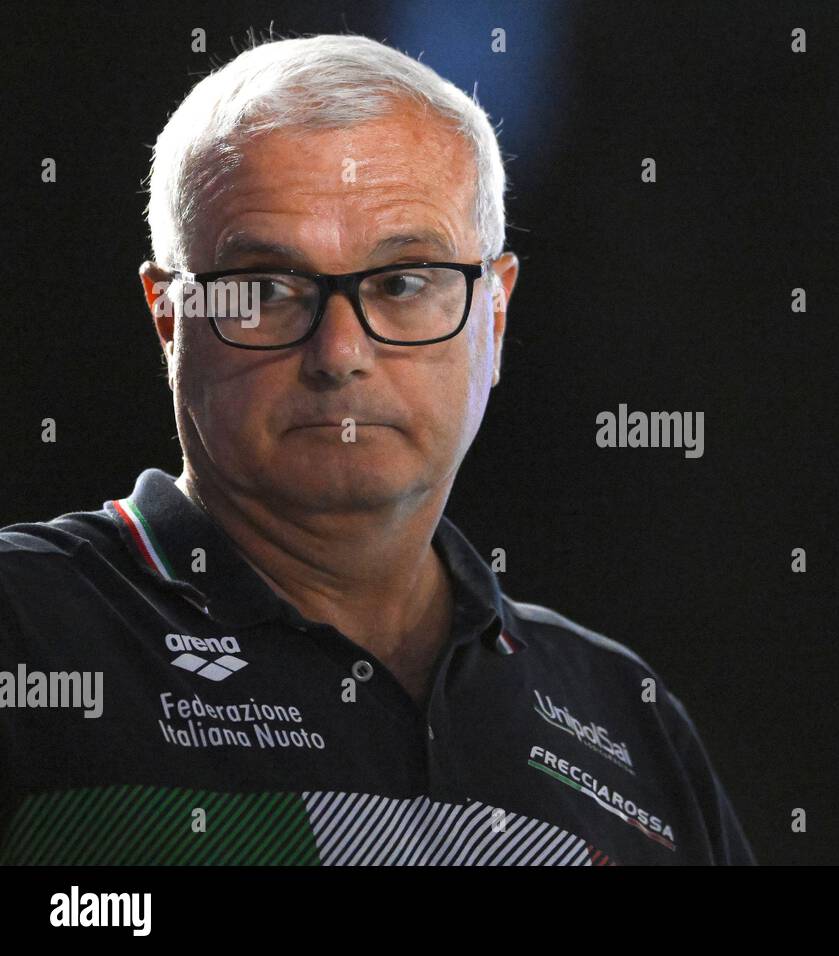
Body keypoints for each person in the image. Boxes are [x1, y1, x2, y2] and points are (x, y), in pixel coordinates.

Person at [0, 33, 755, 866]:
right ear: (169, 319)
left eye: (401, 282)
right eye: (267, 289)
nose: (338, 353)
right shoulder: (24, 629)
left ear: (493, 319)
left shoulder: (625, 711)